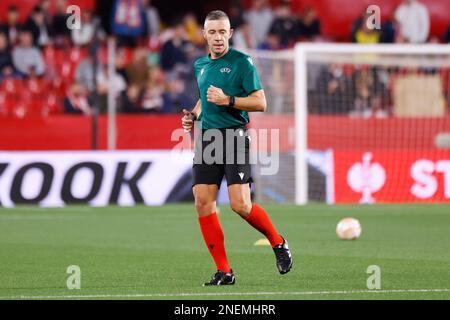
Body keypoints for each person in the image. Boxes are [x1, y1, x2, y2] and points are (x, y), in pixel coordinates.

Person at [181, 10, 292, 286]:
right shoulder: (200, 66)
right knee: (203, 203)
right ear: (204, 35)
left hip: (233, 137)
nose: (218, 37)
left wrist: (227, 100)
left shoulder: (243, 63)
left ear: (230, 33)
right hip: (207, 139)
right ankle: (225, 272)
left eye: (222, 32)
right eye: (212, 32)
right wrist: (194, 116)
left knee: (240, 205)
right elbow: (205, 97)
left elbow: (260, 102)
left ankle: (278, 242)